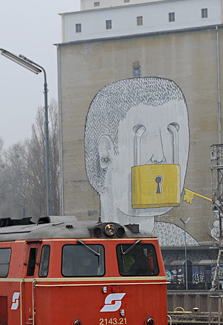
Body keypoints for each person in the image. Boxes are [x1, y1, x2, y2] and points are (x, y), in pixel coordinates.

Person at [83, 76, 198, 247]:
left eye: (172, 134)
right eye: (143, 138)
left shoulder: (182, 242)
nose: (160, 156)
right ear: (105, 150)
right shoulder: (84, 244)